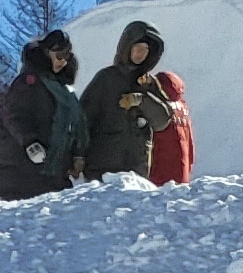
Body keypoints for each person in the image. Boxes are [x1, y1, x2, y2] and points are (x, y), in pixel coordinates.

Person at [83, 20, 195, 183]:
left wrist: (142, 100)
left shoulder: (148, 83)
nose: (141, 54)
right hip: (102, 171)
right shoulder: (106, 78)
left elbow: (162, 121)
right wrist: (77, 156)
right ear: (127, 47)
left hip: (137, 172)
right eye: (138, 48)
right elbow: (83, 119)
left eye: (146, 50)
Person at [0, 32, 85, 197]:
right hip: (24, 174)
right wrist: (29, 142)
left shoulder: (64, 90)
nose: (62, 61)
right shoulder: (29, 82)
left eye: (66, 56)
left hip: (56, 175)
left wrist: (76, 156)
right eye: (58, 56)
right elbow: (13, 115)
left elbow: (73, 126)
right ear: (46, 52)